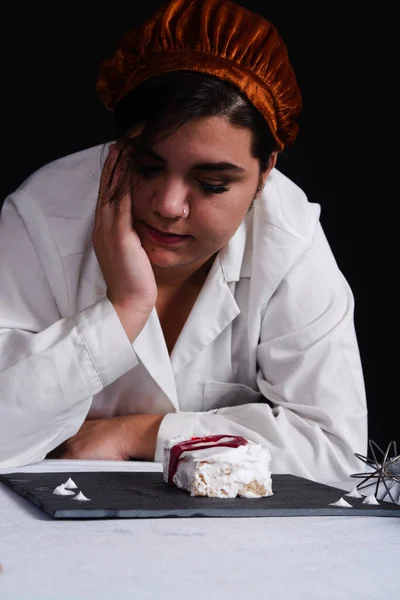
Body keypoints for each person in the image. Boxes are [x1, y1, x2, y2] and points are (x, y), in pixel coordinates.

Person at [0, 0, 367, 488]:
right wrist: (123, 310)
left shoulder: (290, 238)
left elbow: (337, 455)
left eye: (212, 184)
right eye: (147, 167)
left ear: (266, 173)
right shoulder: (41, 217)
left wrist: (146, 434)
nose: (169, 204)